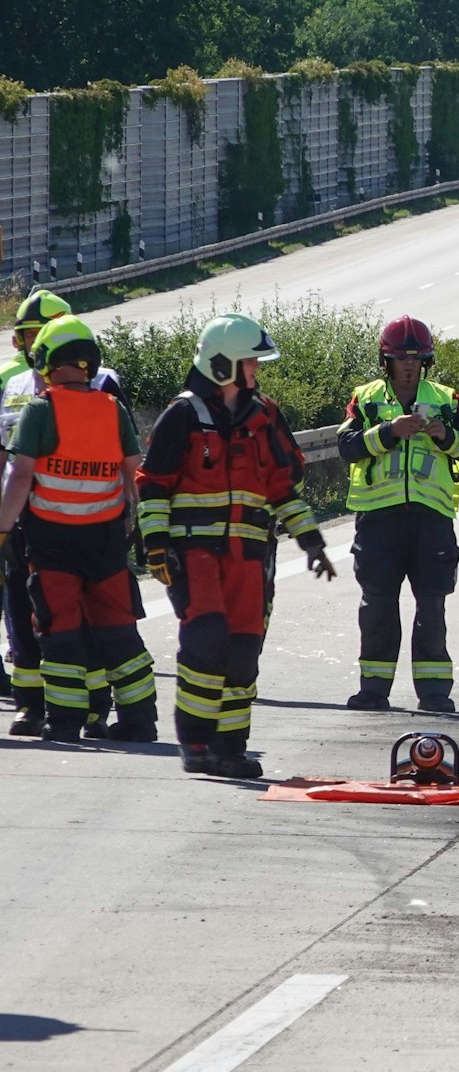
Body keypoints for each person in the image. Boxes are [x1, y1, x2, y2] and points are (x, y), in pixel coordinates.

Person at [138, 313, 338, 778]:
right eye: (251, 362)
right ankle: (196, 744)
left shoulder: (264, 416)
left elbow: (283, 487)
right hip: (195, 555)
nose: (257, 370)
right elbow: (152, 486)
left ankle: (230, 750)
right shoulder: (183, 415)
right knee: (206, 643)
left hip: (250, 558)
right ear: (224, 365)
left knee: (243, 653)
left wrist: (311, 541)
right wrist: (154, 545)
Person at [0, 317, 156, 742]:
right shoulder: (112, 408)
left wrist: (2, 529)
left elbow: (19, 478)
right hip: (106, 540)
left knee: (61, 631)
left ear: (45, 361)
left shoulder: (41, 409)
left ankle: (66, 723)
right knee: (119, 628)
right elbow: (134, 474)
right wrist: (140, 527)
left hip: (52, 542)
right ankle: (140, 720)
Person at [337, 315, 459, 712]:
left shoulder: (447, 399)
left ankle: (435, 694)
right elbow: (347, 446)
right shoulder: (366, 399)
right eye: (401, 359)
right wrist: (389, 432)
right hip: (379, 520)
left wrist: (443, 434)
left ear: (427, 362)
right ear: (386, 360)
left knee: (431, 606)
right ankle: (373, 691)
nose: (410, 365)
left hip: (431, 519)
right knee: (378, 606)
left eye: (417, 359)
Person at [1, 291, 66, 734]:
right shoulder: (12, 384)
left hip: (72, 519)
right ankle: (30, 704)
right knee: (20, 609)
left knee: (67, 613)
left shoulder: (99, 381)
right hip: (19, 520)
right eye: (27, 334)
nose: (34, 342)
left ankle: (79, 706)